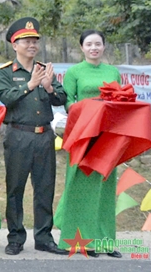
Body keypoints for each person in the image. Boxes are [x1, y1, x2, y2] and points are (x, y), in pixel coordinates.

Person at [0, 17, 67, 256]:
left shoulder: (45, 70)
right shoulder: (6, 72)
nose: (32, 45)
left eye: (34, 41)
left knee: (45, 188)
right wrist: (30, 85)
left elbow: (61, 98)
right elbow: (6, 97)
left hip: (44, 136)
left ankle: (44, 237)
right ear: (14, 45)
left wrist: (47, 86)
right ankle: (15, 237)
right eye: (26, 41)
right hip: (18, 136)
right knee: (15, 188)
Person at [54, 30, 122, 257]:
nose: (94, 48)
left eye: (98, 44)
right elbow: (69, 104)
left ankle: (104, 242)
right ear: (82, 47)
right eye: (89, 44)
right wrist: (92, 108)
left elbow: (120, 100)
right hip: (83, 135)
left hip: (107, 135)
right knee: (80, 186)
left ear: (104, 47)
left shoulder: (112, 71)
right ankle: (82, 241)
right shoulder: (74, 72)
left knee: (104, 186)